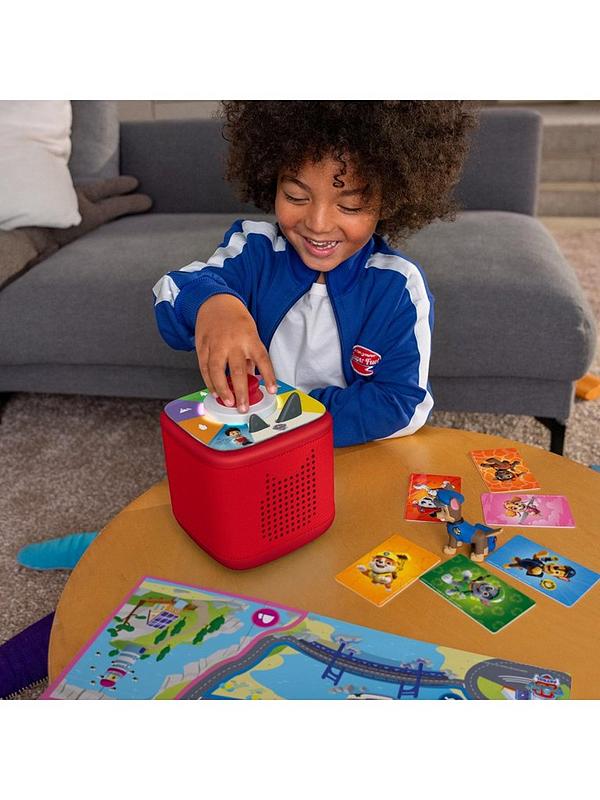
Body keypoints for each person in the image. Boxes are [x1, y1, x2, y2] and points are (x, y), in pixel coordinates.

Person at [154, 101, 476, 447]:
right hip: (256, 446)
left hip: (343, 450)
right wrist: (213, 305)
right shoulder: (255, 250)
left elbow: (404, 403)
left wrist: (291, 416)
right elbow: (172, 290)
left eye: (350, 205)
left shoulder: (398, 287)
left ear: (390, 200)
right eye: (295, 196)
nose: (318, 224)